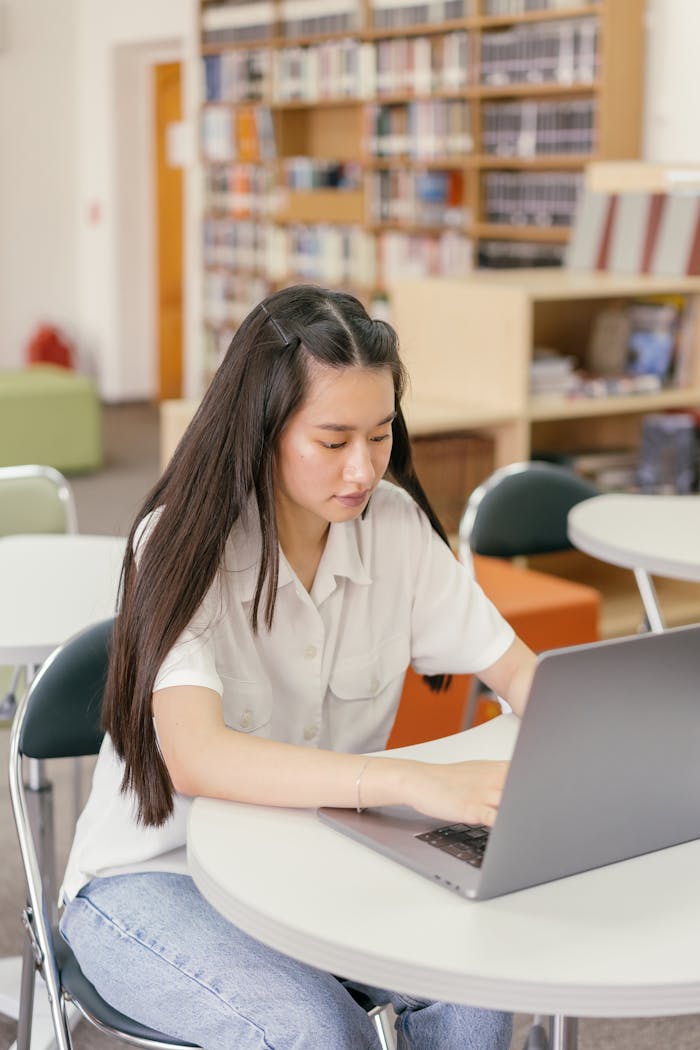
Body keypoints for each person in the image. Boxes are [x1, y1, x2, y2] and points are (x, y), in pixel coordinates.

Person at [60, 284, 536, 1050]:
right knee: (315, 1030)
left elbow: (518, 673)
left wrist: (580, 746)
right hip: (155, 878)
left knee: (472, 999)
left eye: (380, 435)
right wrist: (404, 780)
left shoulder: (395, 527)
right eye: (333, 439)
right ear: (263, 430)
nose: (363, 469)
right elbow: (196, 757)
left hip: (315, 863)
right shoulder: (180, 543)